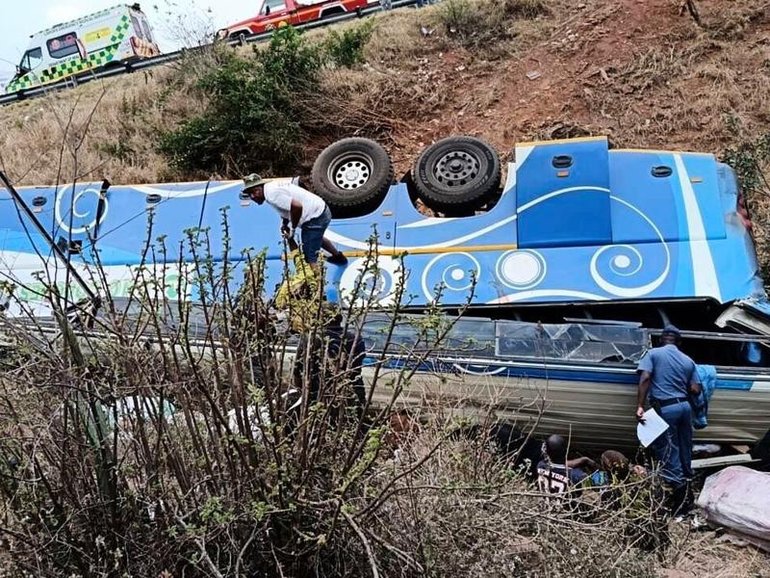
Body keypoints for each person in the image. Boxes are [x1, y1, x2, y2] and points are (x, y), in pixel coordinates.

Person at [636, 324, 701, 514]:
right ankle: (689, 493)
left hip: (667, 408)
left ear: (661, 339)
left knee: (669, 451)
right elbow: (696, 389)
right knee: (684, 449)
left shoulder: (653, 354)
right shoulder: (688, 360)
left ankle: (680, 506)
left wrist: (640, 405)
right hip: (685, 408)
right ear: (678, 342)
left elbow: (645, 378)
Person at [242, 174, 347, 270]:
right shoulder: (270, 188)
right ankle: (338, 257)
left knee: (310, 257)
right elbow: (286, 207)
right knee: (315, 238)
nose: (253, 197)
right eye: (250, 194)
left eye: (254, 192)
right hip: (320, 210)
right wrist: (284, 223)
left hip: (315, 217)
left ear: (260, 188)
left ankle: (317, 285)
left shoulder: (272, 195)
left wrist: (292, 228)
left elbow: (296, 206)